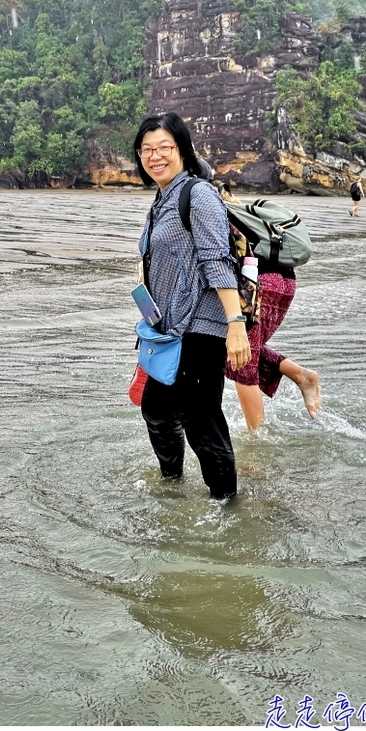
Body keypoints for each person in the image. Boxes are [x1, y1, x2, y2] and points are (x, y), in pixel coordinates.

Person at [133, 113, 250, 502]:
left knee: (201, 420)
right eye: (147, 149)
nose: (155, 156)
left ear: (181, 148)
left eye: (164, 147)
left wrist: (235, 325)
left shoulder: (197, 195)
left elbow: (217, 260)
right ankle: (171, 486)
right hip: (170, 328)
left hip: (202, 326)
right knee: (157, 409)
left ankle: (226, 507)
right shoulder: (162, 199)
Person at [217, 183, 323, 431]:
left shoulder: (210, 211)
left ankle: (256, 443)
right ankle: (300, 375)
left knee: (242, 362)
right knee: (235, 345)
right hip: (283, 282)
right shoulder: (240, 210)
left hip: (259, 284)